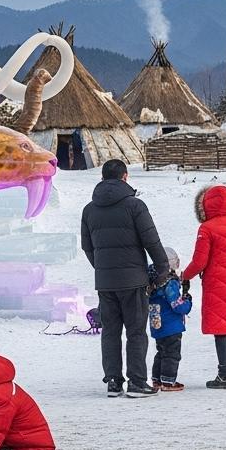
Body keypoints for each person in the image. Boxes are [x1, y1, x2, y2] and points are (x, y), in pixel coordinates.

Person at [81, 158, 171, 398]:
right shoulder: (135, 206)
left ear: (102, 177)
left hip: (106, 282)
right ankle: (137, 382)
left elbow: (87, 247)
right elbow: (152, 241)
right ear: (125, 177)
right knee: (136, 332)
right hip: (134, 281)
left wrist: (102, 268)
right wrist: (162, 270)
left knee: (110, 331)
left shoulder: (89, 209)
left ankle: (113, 381)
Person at [180, 185, 226, 389]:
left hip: (216, 283)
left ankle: (224, 376)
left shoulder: (207, 228)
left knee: (220, 329)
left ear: (207, 205)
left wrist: (185, 275)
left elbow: (200, 261)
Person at [148, 247, 191, 392]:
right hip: (171, 325)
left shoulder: (151, 282)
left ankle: (157, 379)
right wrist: (187, 300)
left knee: (161, 351)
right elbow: (177, 306)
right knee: (172, 353)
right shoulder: (169, 283)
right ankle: (168, 381)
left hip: (157, 323)